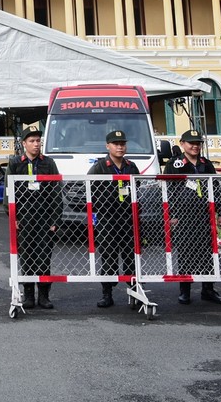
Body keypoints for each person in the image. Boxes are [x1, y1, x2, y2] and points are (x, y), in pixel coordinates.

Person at [163, 130, 221, 305]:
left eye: (198, 143)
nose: (195, 146)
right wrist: (171, 214)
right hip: (183, 216)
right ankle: (185, 290)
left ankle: (208, 289)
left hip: (204, 215)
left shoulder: (206, 164)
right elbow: (167, 192)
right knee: (185, 252)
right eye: (191, 143)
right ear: (182, 143)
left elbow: (215, 189)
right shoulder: (174, 164)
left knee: (208, 253)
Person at [7, 127, 59, 310]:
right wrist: (13, 217)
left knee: (44, 257)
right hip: (24, 218)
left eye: (38, 141)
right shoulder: (15, 163)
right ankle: (28, 295)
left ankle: (44, 296)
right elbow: (8, 193)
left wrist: (55, 219)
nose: (36, 144)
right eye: (32, 141)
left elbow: (56, 192)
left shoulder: (49, 163)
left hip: (44, 217)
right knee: (27, 256)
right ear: (24, 144)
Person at [88, 130, 138, 308]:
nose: (120, 147)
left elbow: (137, 190)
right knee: (108, 257)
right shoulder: (99, 167)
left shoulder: (131, 166)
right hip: (107, 218)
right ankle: (107, 294)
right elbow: (90, 192)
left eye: (122, 143)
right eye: (116, 144)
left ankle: (135, 291)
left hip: (127, 218)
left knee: (131, 257)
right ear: (107, 146)